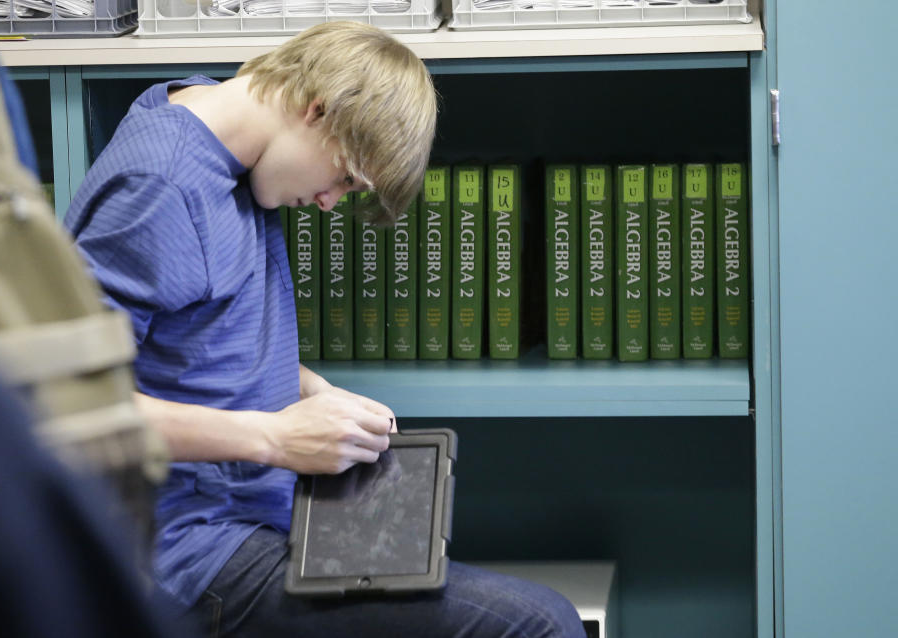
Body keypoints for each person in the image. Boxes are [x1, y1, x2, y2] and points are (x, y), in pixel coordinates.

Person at [64, 21, 586, 638]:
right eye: (343, 179)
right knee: (540, 623)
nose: (330, 202)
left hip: (252, 512)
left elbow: (200, 339)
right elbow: (68, 409)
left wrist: (315, 393)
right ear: (317, 110)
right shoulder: (158, 186)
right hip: (182, 557)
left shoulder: (227, 139)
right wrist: (273, 439)